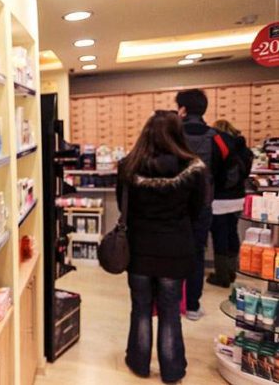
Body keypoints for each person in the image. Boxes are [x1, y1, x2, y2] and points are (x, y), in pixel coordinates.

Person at [119, 110, 207, 384]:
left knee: (141, 308)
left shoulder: (128, 167)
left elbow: (124, 207)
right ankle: (172, 369)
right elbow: (197, 209)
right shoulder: (193, 169)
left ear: (146, 134)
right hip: (175, 250)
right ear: (178, 134)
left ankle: (139, 362)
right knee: (170, 312)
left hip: (139, 250)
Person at [176, 89, 228, 320]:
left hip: (174, 204)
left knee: (173, 253)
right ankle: (192, 306)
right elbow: (225, 166)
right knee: (197, 254)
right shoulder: (216, 137)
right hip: (203, 205)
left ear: (183, 109)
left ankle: (172, 304)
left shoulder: (172, 133)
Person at [206, 119, 254, 287]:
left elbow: (213, 172)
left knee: (219, 235)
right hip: (238, 198)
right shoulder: (243, 149)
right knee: (232, 232)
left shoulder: (220, 147)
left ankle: (222, 276)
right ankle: (231, 271)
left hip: (220, 199)